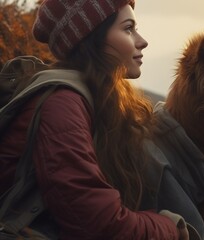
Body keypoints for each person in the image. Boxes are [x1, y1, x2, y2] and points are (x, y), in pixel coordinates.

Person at [0, 0, 190, 239]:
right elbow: (99, 223)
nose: (142, 41)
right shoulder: (62, 104)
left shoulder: (94, 99)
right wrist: (171, 227)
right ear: (93, 38)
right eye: (128, 29)